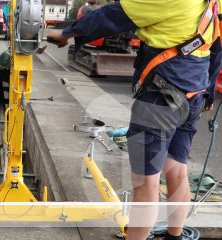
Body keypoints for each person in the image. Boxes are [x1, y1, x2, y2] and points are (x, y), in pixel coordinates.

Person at [47, 1, 222, 239]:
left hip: (159, 99)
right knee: (177, 171)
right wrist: (209, 92)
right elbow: (216, 46)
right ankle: (174, 235)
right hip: (194, 96)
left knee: (145, 183)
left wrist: (68, 32)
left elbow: (114, 15)